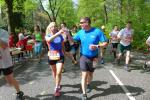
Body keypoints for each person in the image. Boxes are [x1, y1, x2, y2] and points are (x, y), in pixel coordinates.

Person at [73, 17, 107, 100]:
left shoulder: (97, 31)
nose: (80, 24)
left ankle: (88, 83)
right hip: (83, 56)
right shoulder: (80, 32)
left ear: (87, 22)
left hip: (94, 58)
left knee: (91, 74)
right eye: (80, 22)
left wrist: (97, 46)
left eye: (81, 22)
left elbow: (105, 43)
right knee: (84, 75)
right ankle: (84, 94)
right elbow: (72, 40)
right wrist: (67, 35)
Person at [0, 28, 24, 99]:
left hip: (5, 62)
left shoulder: (3, 32)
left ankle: (19, 92)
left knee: (10, 81)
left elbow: (4, 46)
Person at [45, 22, 65, 97]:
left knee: (59, 72)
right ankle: (58, 83)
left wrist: (64, 53)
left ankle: (56, 88)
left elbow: (62, 44)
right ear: (49, 28)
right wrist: (58, 33)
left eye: (55, 26)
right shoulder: (47, 36)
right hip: (52, 56)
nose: (54, 27)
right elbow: (49, 40)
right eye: (52, 27)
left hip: (60, 55)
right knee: (54, 72)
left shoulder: (60, 35)